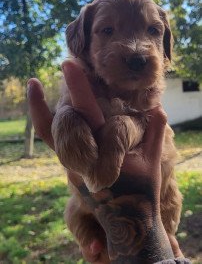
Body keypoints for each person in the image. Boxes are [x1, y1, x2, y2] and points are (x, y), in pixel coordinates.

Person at [27, 60, 191, 264]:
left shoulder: (145, 90)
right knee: (76, 219)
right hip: (88, 218)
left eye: (153, 31)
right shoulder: (81, 77)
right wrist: (65, 119)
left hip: (162, 208)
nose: (136, 50)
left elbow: (147, 119)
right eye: (107, 31)